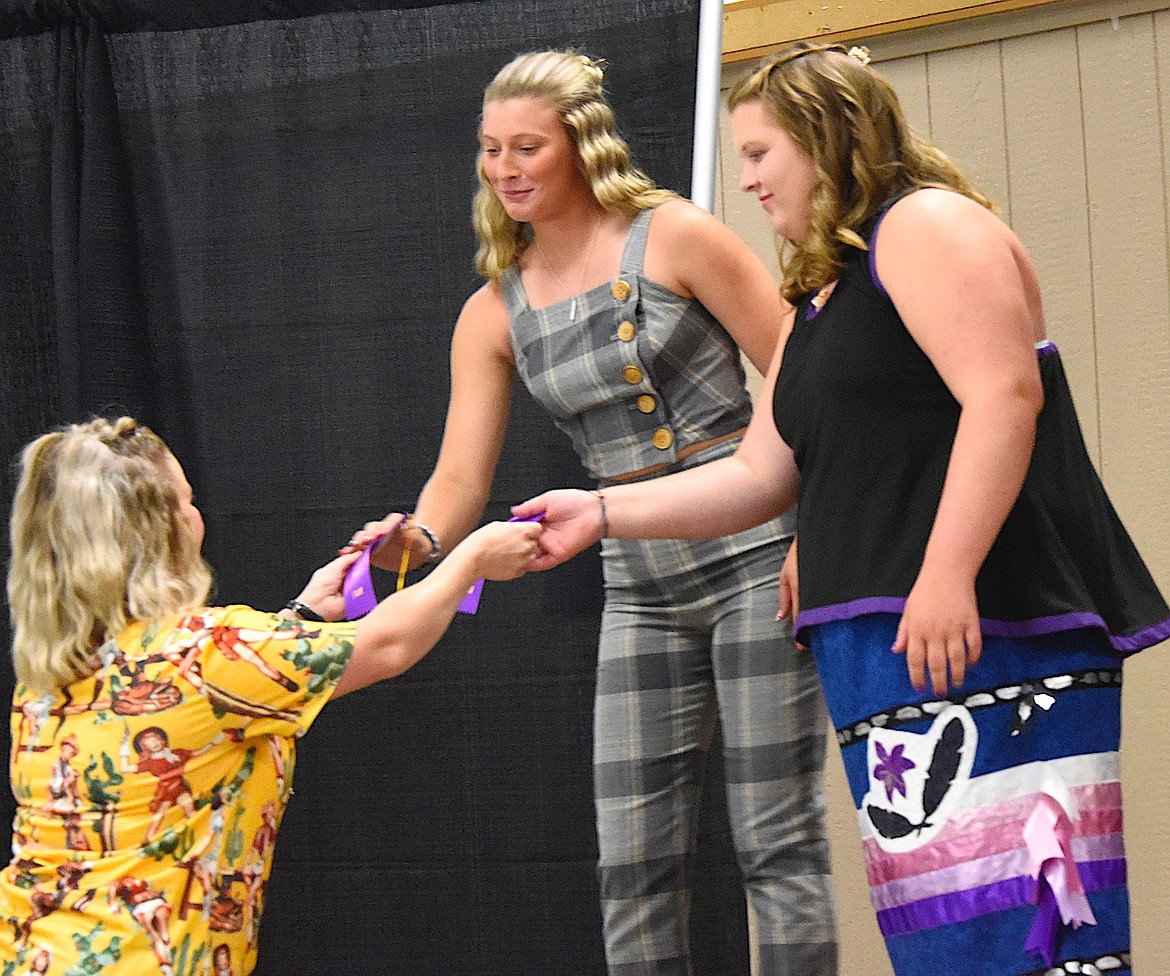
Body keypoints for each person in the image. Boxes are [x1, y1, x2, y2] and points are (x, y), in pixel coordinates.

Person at [513, 42, 1170, 976]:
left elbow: (1003, 398)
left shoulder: (928, 225)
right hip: (883, 652)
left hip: (992, 628)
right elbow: (758, 477)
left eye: (758, 154)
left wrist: (945, 574)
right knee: (945, 932)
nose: (746, 183)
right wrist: (604, 512)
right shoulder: (823, 293)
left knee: (1029, 921)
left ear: (824, 140)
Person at [348, 49, 837, 976]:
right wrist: (412, 542)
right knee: (633, 860)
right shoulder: (492, 311)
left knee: (775, 840)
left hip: (752, 550)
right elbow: (458, 482)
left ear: (580, 145)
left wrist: (811, 531)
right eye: (492, 150)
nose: (506, 168)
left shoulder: (677, 237)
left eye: (527, 146)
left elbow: (801, 372)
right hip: (640, 585)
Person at [1, 416, 542, 975]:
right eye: (186, 502)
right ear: (156, 530)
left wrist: (301, 618)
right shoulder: (206, 655)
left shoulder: (46, 677)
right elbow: (389, 644)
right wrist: (471, 561)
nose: (196, 516)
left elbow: (204, 713)